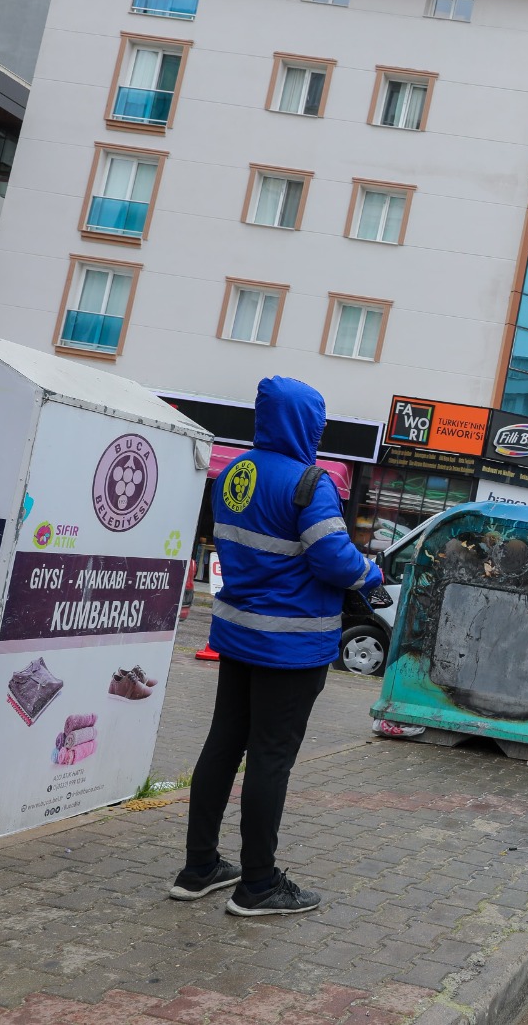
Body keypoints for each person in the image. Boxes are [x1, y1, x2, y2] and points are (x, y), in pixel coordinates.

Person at [169, 376, 382, 916]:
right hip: (290, 648)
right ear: (307, 423)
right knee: (270, 759)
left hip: (237, 636)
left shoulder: (235, 472)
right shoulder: (310, 483)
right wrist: (371, 571)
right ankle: (259, 886)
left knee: (222, 746)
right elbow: (334, 559)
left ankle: (199, 869)